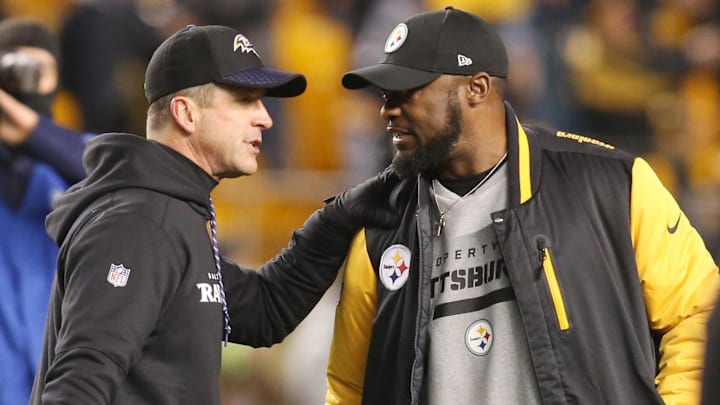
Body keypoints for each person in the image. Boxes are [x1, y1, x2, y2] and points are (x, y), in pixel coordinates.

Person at [324, 7, 720, 405]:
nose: (388, 111)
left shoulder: (612, 182)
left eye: (409, 92)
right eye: (386, 95)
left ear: (476, 89)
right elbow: (348, 388)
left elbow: (695, 311)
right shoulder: (379, 233)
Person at [29, 24, 398, 404]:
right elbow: (77, 387)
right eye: (244, 100)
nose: (265, 118)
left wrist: (337, 218)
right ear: (186, 114)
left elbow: (264, 311)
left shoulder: (172, 214)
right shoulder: (137, 226)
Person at [0, 17, 92, 405]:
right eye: (15, 66)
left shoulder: (84, 151)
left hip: (63, 368)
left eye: (40, 69)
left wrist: (35, 133)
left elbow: (119, 177)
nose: (28, 80)